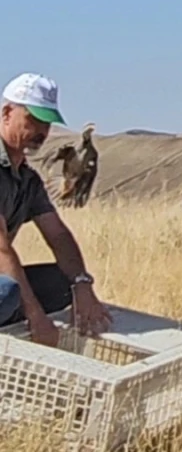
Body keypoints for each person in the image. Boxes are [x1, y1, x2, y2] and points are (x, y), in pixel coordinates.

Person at [0, 74, 112, 346]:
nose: (41, 132)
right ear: (7, 114)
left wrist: (82, 284)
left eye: (46, 123)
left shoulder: (27, 179)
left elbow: (58, 235)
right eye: (33, 120)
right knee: (7, 292)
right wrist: (36, 315)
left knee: (63, 283)